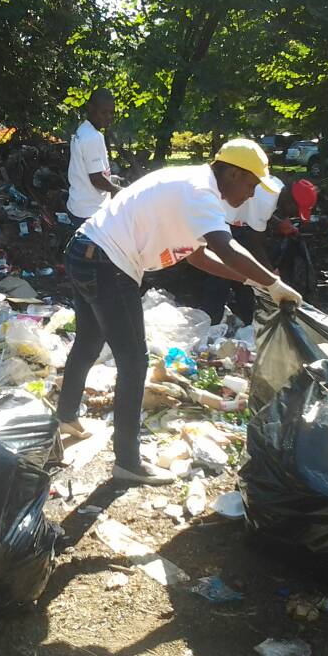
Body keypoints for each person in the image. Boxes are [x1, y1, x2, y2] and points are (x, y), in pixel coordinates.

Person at [56, 138, 303, 485]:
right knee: (134, 362)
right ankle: (127, 461)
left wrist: (252, 283)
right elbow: (226, 247)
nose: (250, 194)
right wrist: (272, 283)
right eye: (249, 184)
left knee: (88, 343)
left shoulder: (198, 189)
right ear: (232, 172)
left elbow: (198, 255)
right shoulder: (200, 190)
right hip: (107, 263)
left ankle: (66, 416)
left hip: (87, 250)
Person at [199, 174, 284, 324]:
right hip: (226, 224)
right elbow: (255, 242)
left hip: (236, 224)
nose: (251, 194)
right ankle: (210, 324)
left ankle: (248, 322)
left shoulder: (275, 186)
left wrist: (259, 277)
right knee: (220, 278)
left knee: (245, 280)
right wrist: (270, 275)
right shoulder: (268, 199)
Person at [67, 88, 120, 227]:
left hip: (79, 205)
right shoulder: (92, 137)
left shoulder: (83, 130)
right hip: (91, 212)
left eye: (111, 113)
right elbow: (96, 179)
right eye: (104, 112)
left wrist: (112, 180)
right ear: (90, 108)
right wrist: (118, 190)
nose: (109, 117)